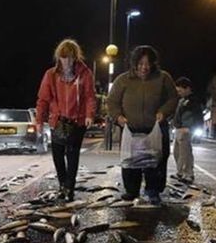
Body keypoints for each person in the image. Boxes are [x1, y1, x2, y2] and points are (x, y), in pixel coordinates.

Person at [108, 45, 178, 205]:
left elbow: (173, 98)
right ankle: (131, 191)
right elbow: (112, 101)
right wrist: (117, 116)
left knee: (156, 161)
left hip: (156, 128)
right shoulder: (123, 80)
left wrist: (164, 111)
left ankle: (154, 190)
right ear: (134, 64)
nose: (144, 67)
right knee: (131, 161)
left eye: (147, 63)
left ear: (153, 63)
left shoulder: (163, 78)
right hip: (132, 128)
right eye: (140, 64)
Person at [35, 39, 96, 202]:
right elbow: (43, 99)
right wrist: (39, 120)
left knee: (72, 154)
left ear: (75, 57)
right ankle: (62, 184)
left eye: (70, 57)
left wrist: (90, 114)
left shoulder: (85, 73)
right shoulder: (51, 74)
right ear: (58, 58)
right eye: (63, 57)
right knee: (57, 154)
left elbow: (90, 96)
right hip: (58, 120)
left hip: (78, 121)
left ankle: (70, 187)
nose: (67, 61)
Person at [172, 77, 199, 183]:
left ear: (187, 88)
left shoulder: (193, 101)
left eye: (180, 90)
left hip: (185, 130)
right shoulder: (182, 100)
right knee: (177, 153)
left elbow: (197, 116)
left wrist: (190, 128)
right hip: (179, 129)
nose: (178, 93)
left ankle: (188, 174)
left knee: (185, 153)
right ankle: (181, 172)